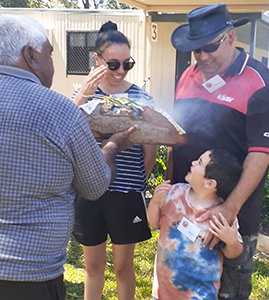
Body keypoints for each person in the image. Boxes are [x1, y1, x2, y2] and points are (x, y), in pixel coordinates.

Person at [0, 14, 135, 300]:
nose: (53, 62)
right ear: (31, 56)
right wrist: (111, 147)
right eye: (50, 53)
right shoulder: (61, 111)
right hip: (30, 275)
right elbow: (95, 186)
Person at [168, 3, 269, 300]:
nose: (202, 57)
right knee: (179, 286)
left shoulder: (261, 83)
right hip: (185, 211)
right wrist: (170, 191)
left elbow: (260, 156)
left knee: (226, 292)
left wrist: (227, 210)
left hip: (229, 219)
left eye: (210, 47)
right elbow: (179, 136)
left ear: (230, 37)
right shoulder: (188, 76)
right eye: (196, 50)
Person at [72, 21, 157, 300]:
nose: (121, 71)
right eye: (113, 64)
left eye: (127, 64)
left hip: (126, 193)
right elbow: (64, 127)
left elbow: (150, 150)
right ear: (96, 60)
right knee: (93, 268)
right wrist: (84, 91)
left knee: (123, 268)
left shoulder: (142, 98)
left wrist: (136, 184)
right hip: (89, 193)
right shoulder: (83, 96)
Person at [148, 149, 243, 299]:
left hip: (199, 295)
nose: (192, 162)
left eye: (199, 162)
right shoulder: (174, 193)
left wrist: (232, 242)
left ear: (210, 183)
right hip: (163, 291)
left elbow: (232, 253)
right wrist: (154, 202)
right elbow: (154, 223)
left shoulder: (221, 215)